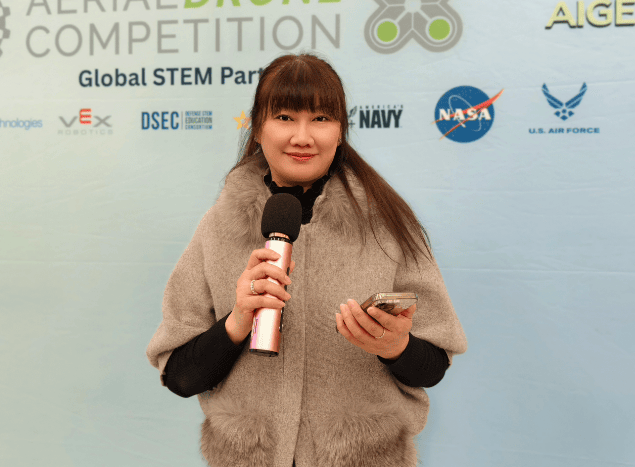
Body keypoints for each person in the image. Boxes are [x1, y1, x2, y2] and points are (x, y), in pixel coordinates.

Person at [146, 53, 466, 467]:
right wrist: (237, 322)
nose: (302, 137)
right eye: (284, 117)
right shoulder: (218, 226)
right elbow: (180, 377)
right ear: (257, 128)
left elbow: (433, 367)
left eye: (320, 119)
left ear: (340, 131)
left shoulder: (388, 223)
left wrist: (395, 347)